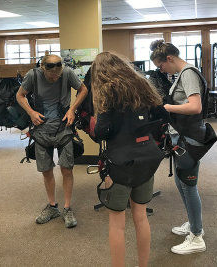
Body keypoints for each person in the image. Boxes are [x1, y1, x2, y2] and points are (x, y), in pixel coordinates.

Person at [92, 51, 165, 267]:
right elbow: (162, 117)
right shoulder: (143, 86)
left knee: (117, 223)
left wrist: (98, 122)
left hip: (120, 162)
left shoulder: (106, 91)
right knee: (141, 217)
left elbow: (102, 132)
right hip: (147, 158)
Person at [16, 54, 88, 228]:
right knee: (46, 170)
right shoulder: (33, 75)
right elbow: (20, 95)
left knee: (67, 169)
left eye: (58, 74)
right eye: (51, 75)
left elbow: (84, 89)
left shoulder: (68, 73)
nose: (55, 77)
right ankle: (52, 206)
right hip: (41, 130)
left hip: (64, 128)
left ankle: (67, 208)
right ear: (43, 69)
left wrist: (72, 109)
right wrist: (31, 113)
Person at [150, 39, 207, 254]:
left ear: (170, 59)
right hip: (182, 136)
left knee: (188, 185)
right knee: (181, 182)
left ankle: (197, 236)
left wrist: (166, 107)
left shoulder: (188, 73)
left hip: (189, 137)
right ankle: (193, 224)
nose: (161, 70)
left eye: (161, 66)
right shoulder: (183, 74)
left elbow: (195, 106)